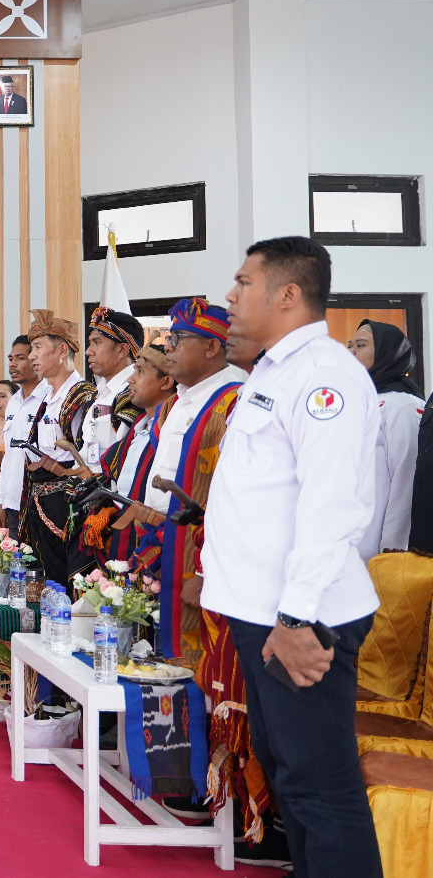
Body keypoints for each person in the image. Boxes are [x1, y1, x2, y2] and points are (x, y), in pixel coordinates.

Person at [204, 236, 382, 876]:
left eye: (243, 282)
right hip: (268, 614)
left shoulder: (324, 377)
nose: (231, 294)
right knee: (292, 783)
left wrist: (298, 619)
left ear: (287, 293)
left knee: (320, 789)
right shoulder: (274, 372)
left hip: (303, 620)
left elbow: (333, 508)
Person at [125, 297, 243, 660]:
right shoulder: (179, 400)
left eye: (178, 339)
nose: (168, 348)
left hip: (198, 549)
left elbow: (234, 498)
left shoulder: (233, 400)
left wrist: (206, 570)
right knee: (157, 650)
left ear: (211, 347)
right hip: (160, 539)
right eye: (167, 338)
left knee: (197, 657)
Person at [17, 310, 96, 587]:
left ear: (62, 351)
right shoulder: (47, 395)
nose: (32, 356)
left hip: (68, 506)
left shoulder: (82, 396)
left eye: (38, 348)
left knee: (69, 580)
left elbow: (86, 458)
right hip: (40, 501)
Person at [93, 344, 175, 564]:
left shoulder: (171, 430)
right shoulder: (138, 426)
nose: (131, 379)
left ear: (166, 382)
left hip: (152, 537)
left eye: (140, 371)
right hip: (125, 530)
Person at [346, 319, 422, 554]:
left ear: (387, 353)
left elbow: (406, 481)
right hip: (346, 539)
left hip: (378, 546)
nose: (351, 352)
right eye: (349, 346)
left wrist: (394, 548)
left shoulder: (402, 405)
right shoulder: (353, 403)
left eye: (360, 345)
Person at [80, 307, 145, 472]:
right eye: (90, 343)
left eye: (97, 342)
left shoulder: (134, 394)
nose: (88, 351)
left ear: (122, 350)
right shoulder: (97, 395)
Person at [0, 335, 43, 532]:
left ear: (35, 359)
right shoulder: (14, 402)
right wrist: (1, 502)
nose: (12, 364)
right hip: (14, 502)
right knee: (17, 561)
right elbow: (10, 456)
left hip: (40, 501)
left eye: (20, 358)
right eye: (10, 358)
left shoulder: (49, 397)